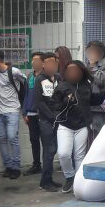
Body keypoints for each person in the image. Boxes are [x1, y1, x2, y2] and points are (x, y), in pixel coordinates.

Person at [50, 60, 92, 193]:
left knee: (79, 156)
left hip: (82, 125)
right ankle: (69, 176)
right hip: (65, 124)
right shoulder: (61, 86)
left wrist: (104, 90)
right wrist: (66, 101)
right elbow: (55, 106)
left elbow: (93, 100)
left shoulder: (86, 85)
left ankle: (79, 182)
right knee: (63, 154)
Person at [0, 49, 24, 179]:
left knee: (12, 137)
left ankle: (16, 167)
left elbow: (24, 82)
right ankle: (8, 166)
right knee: (2, 138)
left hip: (13, 110)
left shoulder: (14, 72)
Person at [33, 53, 62, 191]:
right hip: (46, 120)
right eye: (49, 62)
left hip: (58, 119)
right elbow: (39, 102)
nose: (52, 65)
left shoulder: (58, 79)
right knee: (49, 150)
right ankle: (45, 182)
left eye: (54, 63)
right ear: (43, 64)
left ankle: (49, 179)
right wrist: (51, 117)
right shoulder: (39, 79)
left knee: (53, 150)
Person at [21, 51, 45, 176]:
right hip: (30, 113)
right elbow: (25, 95)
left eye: (36, 60)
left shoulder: (47, 76)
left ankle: (47, 165)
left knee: (46, 140)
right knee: (34, 140)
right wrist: (24, 112)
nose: (33, 62)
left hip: (43, 115)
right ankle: (36, 165)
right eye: (32, 60)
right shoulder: (30, 76)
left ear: (43, 63)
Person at [85, 41, 105, 135]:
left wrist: (92, 66)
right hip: (87, 104)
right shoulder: (86, 65)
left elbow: (101, 80)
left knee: (99, 132)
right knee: (89, 133)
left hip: (99, 106)